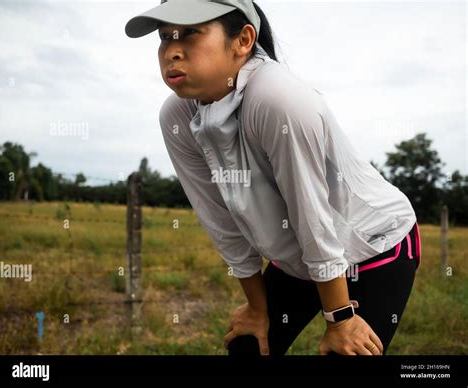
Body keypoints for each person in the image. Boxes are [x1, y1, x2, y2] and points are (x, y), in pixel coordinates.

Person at [125, 0, 422, 356]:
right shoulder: (177, 115)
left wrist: (340, 319)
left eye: (190, 33)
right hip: (300, 255)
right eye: (164, 36)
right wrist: (256, 309)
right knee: (248, 348)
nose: (172, 51)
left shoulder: (278, 99)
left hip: (374, 245)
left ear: (243, 40)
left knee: (348, 354)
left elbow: (312, 215)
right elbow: (221, 221)